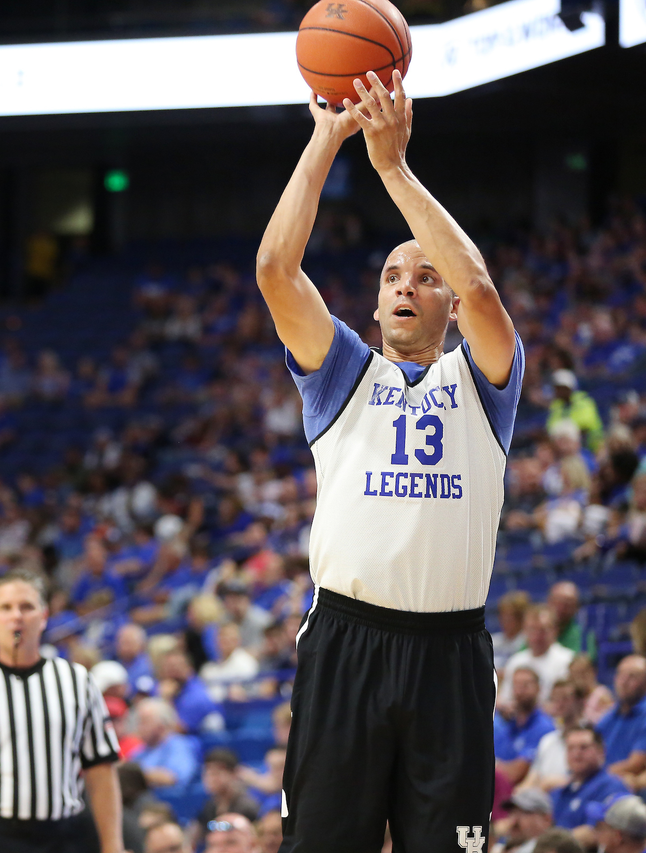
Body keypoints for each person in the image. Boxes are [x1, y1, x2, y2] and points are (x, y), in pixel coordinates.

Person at [255, 70, 523, 853]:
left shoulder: (484, 380)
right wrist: (323, 139)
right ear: (373, 306)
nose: (408, 284)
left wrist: (393, 169)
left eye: (424, 277)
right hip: (348, 643)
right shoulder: (343, 372)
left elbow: (478, 282)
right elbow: (276, 271)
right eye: (392, 277)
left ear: (447, 305)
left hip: (452, 656)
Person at [0, 569, 122, 853]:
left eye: (26, 607)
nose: (16, 616)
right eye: (6, 608)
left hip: (61, 835)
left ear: (44, 617)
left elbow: (101, 768)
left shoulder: (78, 681)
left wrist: (113, 846)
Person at [552, 725, 629, 834]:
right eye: (570, 748)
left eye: (583, 747)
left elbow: (597, 834)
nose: (576, 753)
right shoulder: (560, 792)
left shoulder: (612, 788)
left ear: (600, 751)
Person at [501, 607, 575, 707]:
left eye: (543, 630)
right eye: (532, 630)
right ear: (525, 631)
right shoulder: (515, 662)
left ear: (555, 630)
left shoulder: (568, 660)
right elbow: (506, 699)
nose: (537, 636)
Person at [523, 679, 586, 792]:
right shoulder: (547, 740)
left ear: (580, 702)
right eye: (555, 699)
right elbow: (532, 779)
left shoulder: (590, 739)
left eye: (565, 698)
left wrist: (549, 784)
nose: (560, 704)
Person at [496, 667, 556, 785]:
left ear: (538, 689)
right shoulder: (503, 723)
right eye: (516, 685)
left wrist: (492, 765)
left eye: (525, 685)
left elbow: (515, 774)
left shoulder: (544, 727)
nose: (519, 691)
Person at [129, 699, 198, 791]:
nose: (139, 727)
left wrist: (133, 774)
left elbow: (172, 778)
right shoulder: (141, 751)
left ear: (161, 724)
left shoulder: (178, 745)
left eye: (144, 722)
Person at [600, 655, 646, 787]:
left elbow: (636, 764)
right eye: (620, 674)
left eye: (632, 676)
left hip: (627, 785)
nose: (624, 681)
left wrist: (596, 777)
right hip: (604, 779)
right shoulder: (608, 716)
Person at [195, 749, 261, 828]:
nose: (210, 779)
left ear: (233, 774)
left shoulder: (247, 806)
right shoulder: (210, 806)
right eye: (207, 774)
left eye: (215, 774)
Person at [547, 370, 603, 452]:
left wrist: (565, 431)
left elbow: (586, 424)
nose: (557, 391)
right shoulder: (556, 405)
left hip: (591, 445)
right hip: (566, 448)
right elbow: (551, 427)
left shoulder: (583, 400)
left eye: (560, 388)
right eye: (556, 388)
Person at [547, 583, 597, 661]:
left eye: (568, 604)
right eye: (558, 602)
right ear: (549, 602)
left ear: (576, 607)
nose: (561, 608)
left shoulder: (584, 636)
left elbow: (584, 664)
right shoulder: (532, 632)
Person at [493, 592, 531, 670]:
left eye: (510, 616)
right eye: (503, 615)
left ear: (521, 618)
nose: (505, 620)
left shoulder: (528, 641)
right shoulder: (493, 640)